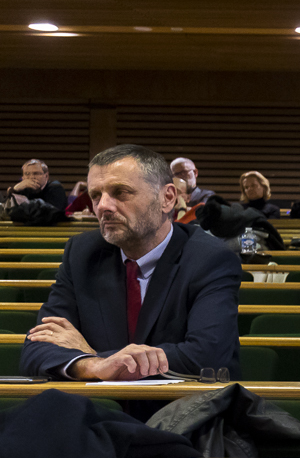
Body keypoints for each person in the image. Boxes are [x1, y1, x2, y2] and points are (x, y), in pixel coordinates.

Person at [21, 144, 240, 380]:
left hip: (178, 402)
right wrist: (94, 365)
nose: (103, 206)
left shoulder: (210, 258)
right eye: (96, 196)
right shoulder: (82, 253)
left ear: (167, 198)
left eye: (121, 192)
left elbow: (206, 357)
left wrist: (96, 357)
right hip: (95, 401)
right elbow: (37, 348)